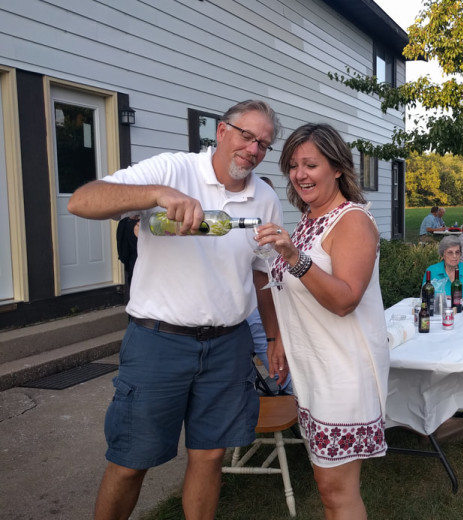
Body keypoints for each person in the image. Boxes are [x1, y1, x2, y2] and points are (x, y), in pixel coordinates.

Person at [67, 99, 282, 520]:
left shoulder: (265, 197)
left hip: (228, 347)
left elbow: (262, 275)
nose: (253, 149)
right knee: (131, 460)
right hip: (158, 342)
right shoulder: (172, 170)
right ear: (222, 132)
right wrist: (157, 195)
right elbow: (81, 201)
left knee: (209, 457)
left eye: (264, 144)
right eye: (247, 136)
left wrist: (273, 337)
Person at [260, 123, 388, 520]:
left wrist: (294, 256)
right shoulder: (308, 219)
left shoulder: (352, 221)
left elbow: (345, 300)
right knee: (327, 487)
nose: (300, 174)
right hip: (316, 372)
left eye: (311, 164)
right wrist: (276, 337)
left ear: (336, 168)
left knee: (337, 491)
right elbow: (288, 292)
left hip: (344, 373)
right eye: (293, 165)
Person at [423, 235, 463, 301]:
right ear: (442, 255)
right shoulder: (432, 271)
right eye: (450, 252)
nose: (455, 256)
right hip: (440, 309)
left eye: (457, 252)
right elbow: (425, 295)